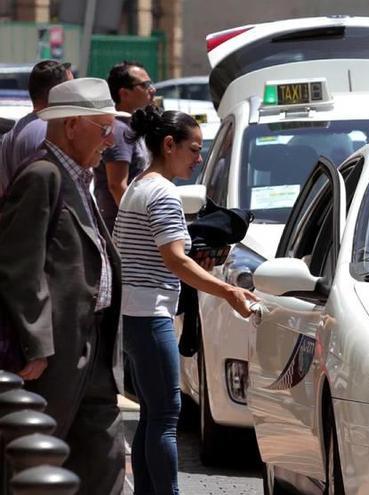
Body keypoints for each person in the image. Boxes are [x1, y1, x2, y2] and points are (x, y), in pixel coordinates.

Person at [114, 105, 258, 495]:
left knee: (152, 414)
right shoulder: (162, 193)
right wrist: (228, 291)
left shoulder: (139, 187)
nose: (199, 159)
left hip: (133, 314)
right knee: (164, 415)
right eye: (194, 149)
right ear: (168, 144)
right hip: (148, 316)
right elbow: (175, 259)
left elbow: (167, 256)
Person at [0, 77, 127, 494]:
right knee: (42, 458)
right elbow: (20, 265)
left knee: (105, 458)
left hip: (95, 346)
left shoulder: (81, 178)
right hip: (57, 352)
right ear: (72, 125)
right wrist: (36, 344)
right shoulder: (42, 175)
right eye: (103, 127)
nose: (111, 139)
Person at [95, 60, 156, 232]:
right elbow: (117, 186)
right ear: (124, 93)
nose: (152, 90)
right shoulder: (120, 131)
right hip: (122, 230)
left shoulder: (131, 125)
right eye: (145, 85)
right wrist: (140, 226)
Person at [0, 60, 73, 196]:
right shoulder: (48, 132)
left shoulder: (15, 130)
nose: (75, 94)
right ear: (57, 93)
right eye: (71, 88)